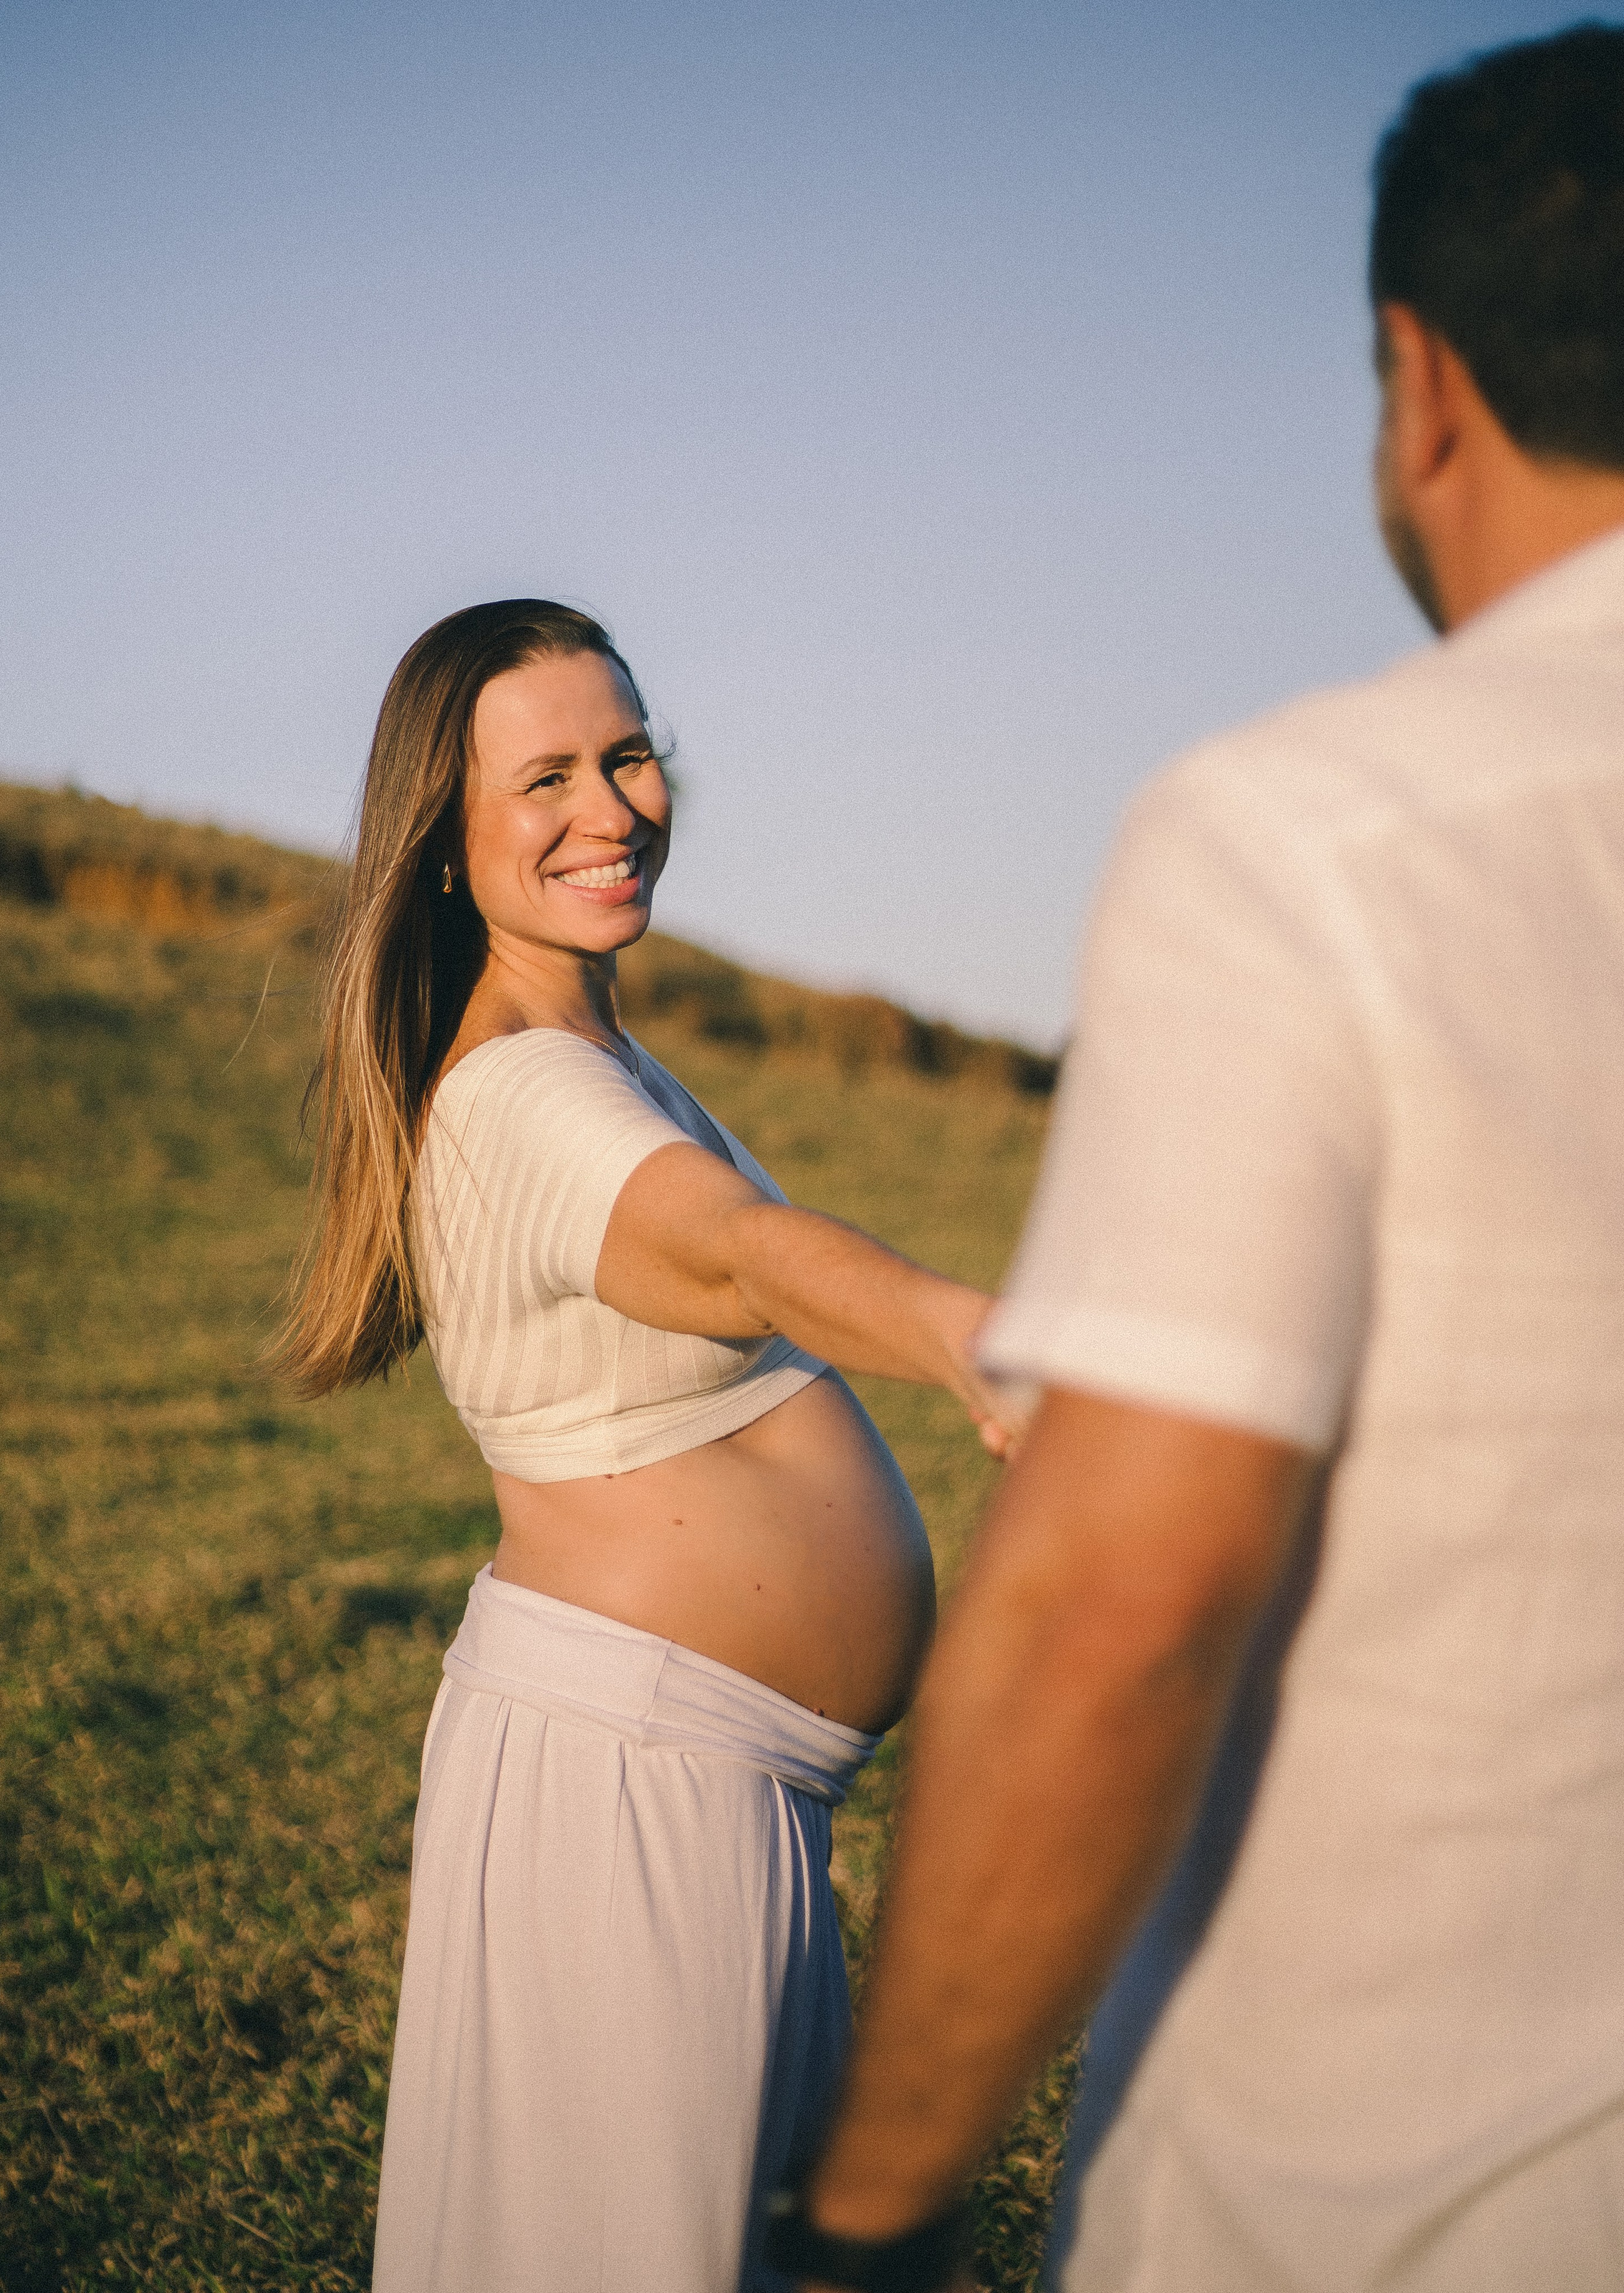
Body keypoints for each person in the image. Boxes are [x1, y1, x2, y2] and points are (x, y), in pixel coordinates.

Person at [769, 24, 1624, 2293]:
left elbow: (1124, 1598)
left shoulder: (1316, 841)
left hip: (1397, 2200)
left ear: (1420, 385)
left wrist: (873, 2212)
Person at [277, 599, 1010, 2293]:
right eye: (544, 777)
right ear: (445, 843)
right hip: (635, 1788)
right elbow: (737, 1250)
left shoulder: (600, 1053)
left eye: (625, 755)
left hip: (713, 1776)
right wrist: (966, 1339)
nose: (608, 807)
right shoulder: (522, 1093)